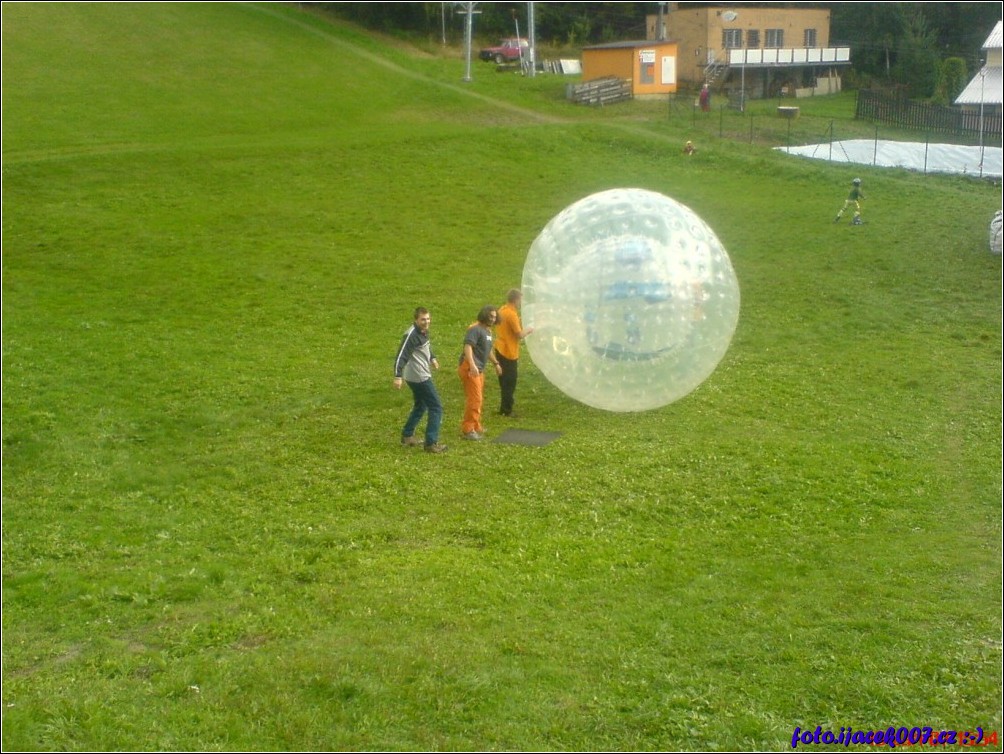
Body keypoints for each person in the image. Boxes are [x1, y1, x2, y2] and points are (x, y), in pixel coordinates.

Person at [393, 307, 447, 453]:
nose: (426, 322)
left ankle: (407, 435)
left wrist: (432, 357)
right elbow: (401, 355)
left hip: (417, 375)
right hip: (419, 377)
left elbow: (426, 347)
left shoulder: (423, 331)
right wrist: (397, 376)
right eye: (423, 319)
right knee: (436, 407)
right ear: (416, 320)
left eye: (428, 319)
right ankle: (431, 443)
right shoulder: (411, 335)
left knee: (421, 405)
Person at [457, 305, 501, 440]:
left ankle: (476, 425)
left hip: (479, 369)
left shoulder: (488, 332)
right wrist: (472, 365)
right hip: (470, 368)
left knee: (479, 398)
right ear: (484, 315)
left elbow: (487, 351)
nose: (493, 319)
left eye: (495, 317)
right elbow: (468, 347)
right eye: (490, 316)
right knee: (475, 399)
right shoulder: (475, 329)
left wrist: (496, 364)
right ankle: (468, 429)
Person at [494, 289, 534, 418]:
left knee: (503, 380)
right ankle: (507, 410)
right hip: (509, 352)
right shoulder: (511, 314)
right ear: (516, 299)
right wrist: (529, 329)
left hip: (499, 349)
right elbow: (519, 334)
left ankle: (504, 408)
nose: (521, 302)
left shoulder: (502, 310)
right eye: (520, 300)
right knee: (510, 382)